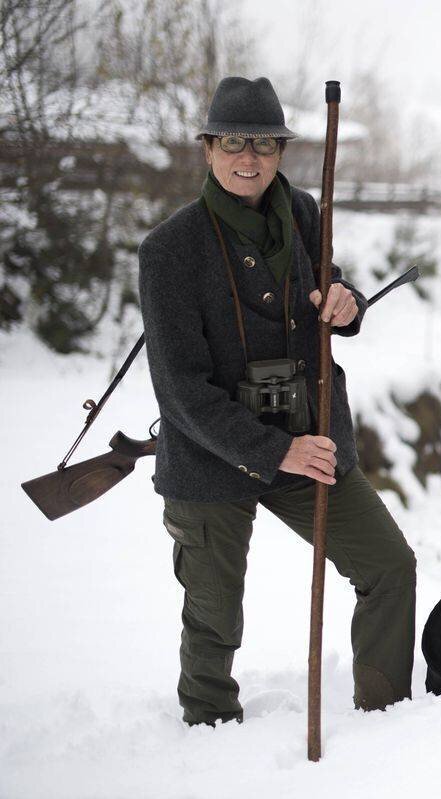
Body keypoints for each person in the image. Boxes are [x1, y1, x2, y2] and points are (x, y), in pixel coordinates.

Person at [137, 76, 416, 726]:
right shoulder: (169, 251)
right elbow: (182, 393)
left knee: (389, 566)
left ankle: (389, 721)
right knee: (214, 619)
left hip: (307, 434)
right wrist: (276, 450)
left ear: (280, 151)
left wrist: (343, 302)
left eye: (264, 143)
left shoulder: (304, 214)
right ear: (207, 147)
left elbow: (325, 290)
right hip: (212, 457)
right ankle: (208, 742)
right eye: (234, 141)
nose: (249, 157)